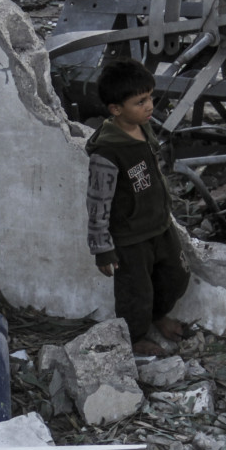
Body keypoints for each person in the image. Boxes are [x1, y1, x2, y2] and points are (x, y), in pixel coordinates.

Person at [85, 59, 189, 356]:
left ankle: (157, 315)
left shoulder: (144, 129)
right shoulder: (107, 152)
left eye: (150, 98)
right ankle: (135, 337)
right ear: (116, 109)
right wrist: (102, 249)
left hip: (159, 225)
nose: (149, 106)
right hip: (130, 238)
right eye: (140, 101)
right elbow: (97, 203)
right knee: (135, 293)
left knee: (176, 276)